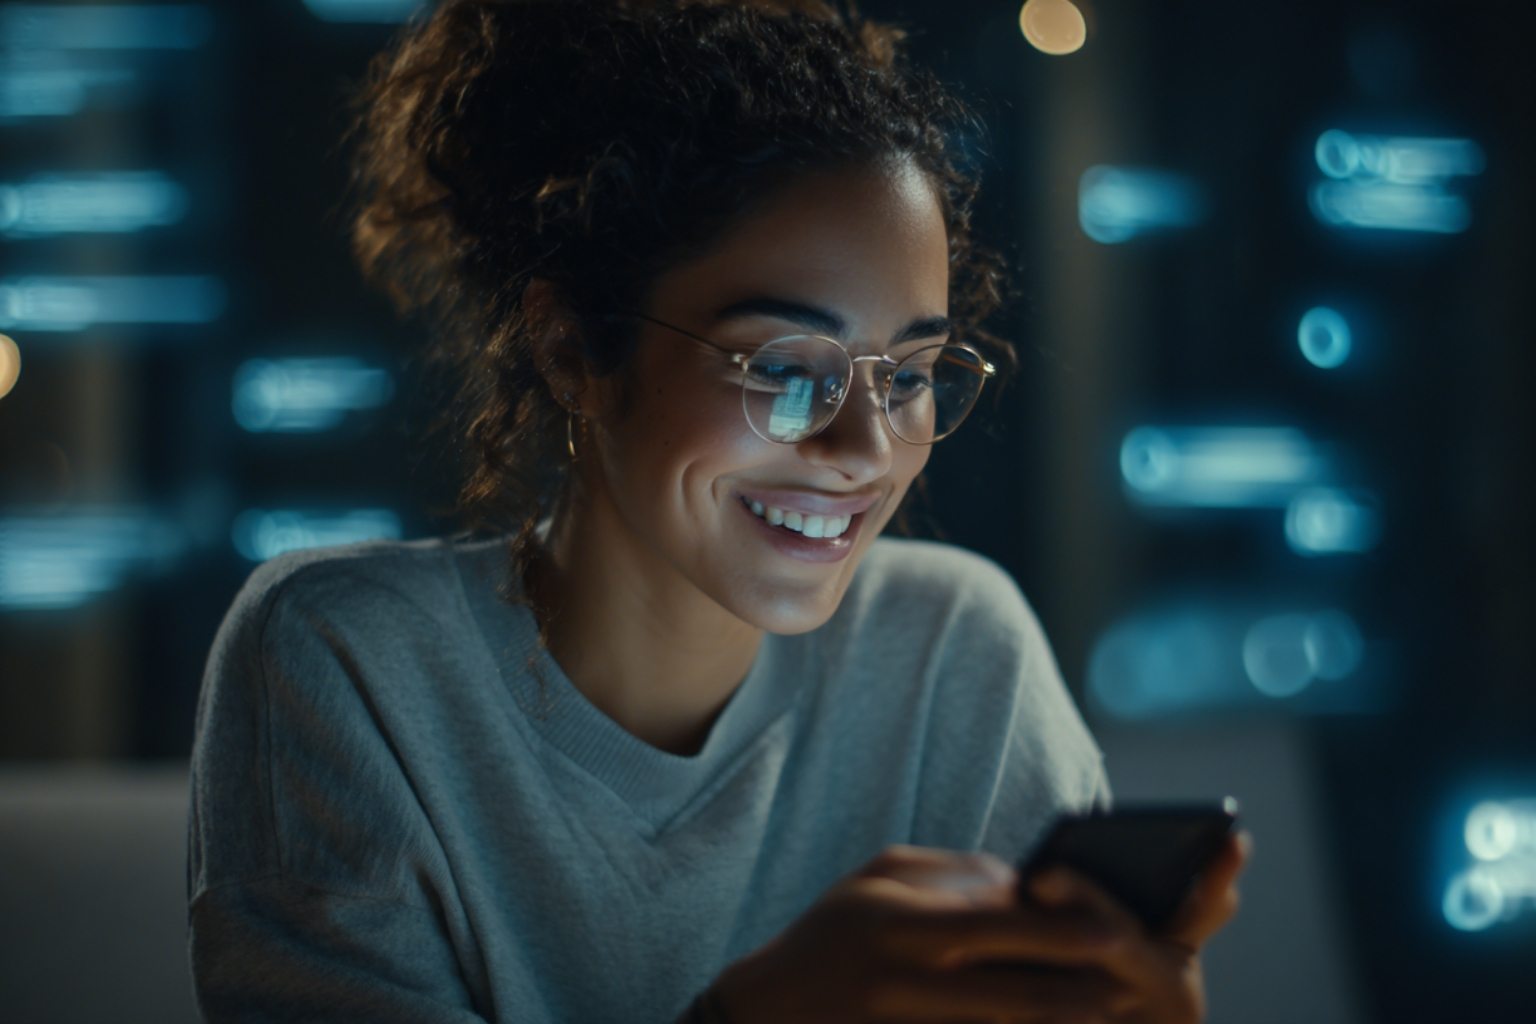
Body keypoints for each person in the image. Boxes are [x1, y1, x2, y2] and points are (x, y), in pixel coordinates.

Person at [186, 1, 1251, 1021]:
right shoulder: (349, 662)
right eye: (787, 369)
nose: (862, 451)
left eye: (909, 374)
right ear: (574, 353)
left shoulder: (955, 651)